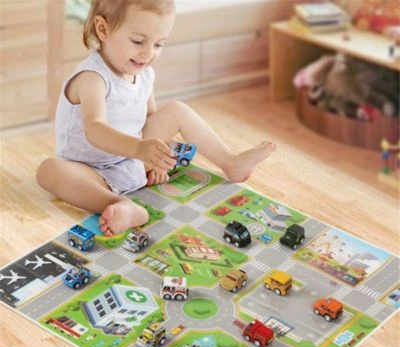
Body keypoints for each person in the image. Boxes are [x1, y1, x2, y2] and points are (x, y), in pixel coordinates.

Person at [36, 0, 276, 237]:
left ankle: (230, 162)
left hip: (132, 160)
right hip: (91, 171)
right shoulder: (92, 78)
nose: (148, 53)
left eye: (159, 44)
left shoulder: (144, 74)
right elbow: (95, 129)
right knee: (49, 171)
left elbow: (151, 119)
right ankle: (118, 204)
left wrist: (159, 159)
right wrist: (139, 149)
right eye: (138, 41)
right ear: (103, 29)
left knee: (176, 110)